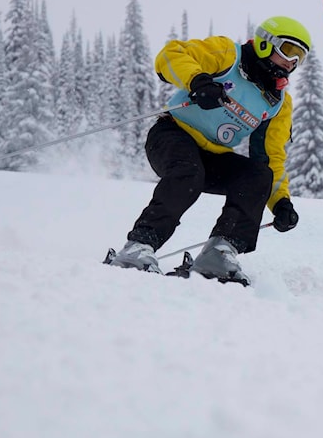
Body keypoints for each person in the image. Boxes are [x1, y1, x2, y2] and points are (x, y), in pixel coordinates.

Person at [109, 16, 309, 283]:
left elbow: (270, 158)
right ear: (266, 43)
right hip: (172, 134)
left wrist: (280, 202)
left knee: (258, 175)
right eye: (288, 50)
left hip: (213, 155)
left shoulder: (277, 103)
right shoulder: (229, 56)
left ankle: (219, 253)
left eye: (299, 58)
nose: (291, 62)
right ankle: (138, 246)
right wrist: (198, 81)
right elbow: (170, 56)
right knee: (189, 172)